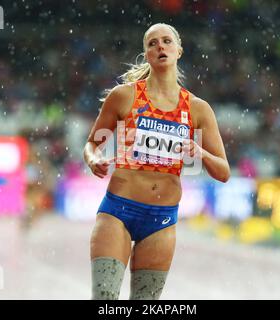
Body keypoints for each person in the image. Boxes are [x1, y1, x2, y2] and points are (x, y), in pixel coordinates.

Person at [83, 23, 230, 300]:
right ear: (146, 54)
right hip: (118, 212)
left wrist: (200, 153)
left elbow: (223, 172)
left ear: (179, 50)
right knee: (104, 300)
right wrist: (94, 159)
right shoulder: (124, 96)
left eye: (166, 41)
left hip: (161, 221)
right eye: (152, 44)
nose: (160, 47)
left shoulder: (198, 109)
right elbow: (92, 143)